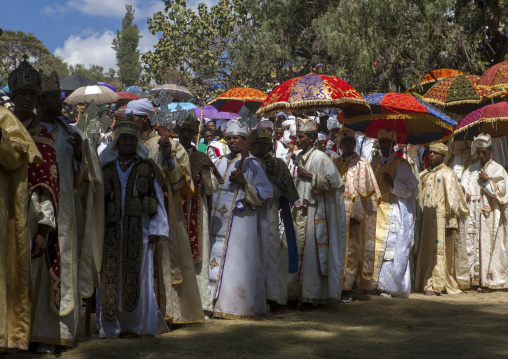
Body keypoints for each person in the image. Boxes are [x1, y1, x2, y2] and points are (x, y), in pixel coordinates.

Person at [33, 71, 104, 353]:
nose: (60, 104)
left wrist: (78, 158)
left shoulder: (71, 133)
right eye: (53, 98)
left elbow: (86, 179)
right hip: (32, 212)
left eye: (60, 98)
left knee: (61, 270)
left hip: (65, 215)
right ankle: (30, 333)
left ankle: (58, 333)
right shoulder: (28, 131)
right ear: (40, 100)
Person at [126, 99, 204, 324]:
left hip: (164, 212)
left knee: (163, 259)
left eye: (134, 118)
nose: (130, 122)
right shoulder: (128, 143)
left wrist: (168, 156)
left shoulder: (171, 144)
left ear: (145, 119)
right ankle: (139, 311)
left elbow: (181, 183)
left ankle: (168, 312)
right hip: (134, 212)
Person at [96, 120, 169, 338]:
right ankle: (111, 327)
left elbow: (157, 198)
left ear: (136, 142)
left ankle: (138, 325)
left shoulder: (147, 167)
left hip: (141, 231)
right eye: (123, 139)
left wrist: (157, 228)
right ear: (117, 142)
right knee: (110, 277)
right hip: (110, 232)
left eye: (131, 139)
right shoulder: (106, 168)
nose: (127, 143)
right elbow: (97, 201)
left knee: (139, 277)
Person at [209, 119, 272, 318]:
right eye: (229, 138)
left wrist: (245, 184)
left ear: (245, 140)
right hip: (217, 226)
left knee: (236, 265)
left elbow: (266, 193)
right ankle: (215, 304)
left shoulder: (253, 165)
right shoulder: (219, 161)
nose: (232, 141)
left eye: (236, 138)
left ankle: (236, 306)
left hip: (240, 225)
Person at [1, 61, 42, 356]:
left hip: (11, 213)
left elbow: (15, 158)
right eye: (22, 93)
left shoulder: (6, 122)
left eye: (32, 94)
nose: (27, 99)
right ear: (13, 95)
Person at [287, 118, 347, 309]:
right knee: (295, 252)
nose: (297, 140)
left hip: (316, 213)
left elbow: (335, 183)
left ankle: (310, 296)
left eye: (301, 137)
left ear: (312, 138)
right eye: (297, 136)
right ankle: (294, 294)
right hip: (299, 212)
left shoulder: (321, 158)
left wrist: (311, 177)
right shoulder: (298, 157)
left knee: (312, 256)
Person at [176, 112, 220, 315]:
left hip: (197, 211)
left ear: (195, 134)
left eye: (189, 131)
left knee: (199, 258)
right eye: (182, 131)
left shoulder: (202, 156)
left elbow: (212, 189)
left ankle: (202, 304)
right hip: (174, 212)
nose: (186, 134)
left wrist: (207, 172)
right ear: (178, 132)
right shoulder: (170, 154)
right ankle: (177, 305)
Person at [252, 127, 299, 313]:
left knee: (271, 253)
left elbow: (289, 193)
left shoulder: (278, 164)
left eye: (266, 143)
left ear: (270, 144)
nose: (262, 146)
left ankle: (275, 298)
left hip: (269, 213)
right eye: (259, 143)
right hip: (249, 213)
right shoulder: (247, 162)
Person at [415, 142, 469, 296]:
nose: (431, 155)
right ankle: (423, 281)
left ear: (443, 156)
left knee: (438, 252)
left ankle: (435, 284)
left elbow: (454, 202)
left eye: (435, 153)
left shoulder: (448, 174)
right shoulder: (423, 174)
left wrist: (451, 223)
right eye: (430, 153)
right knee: (425, 250)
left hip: (441, 222)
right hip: (426, 221)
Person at [370, 129, 419, 298]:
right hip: (377, 211)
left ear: (393, 144)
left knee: (391, 250)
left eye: (386, 142)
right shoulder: (375, 162)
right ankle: (373, 283)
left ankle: (391, 286)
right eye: (381, 142)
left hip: (393, 212)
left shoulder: (401, 164)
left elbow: (411, 190)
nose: (383, 145)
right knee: (375, 246)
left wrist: (393, 183)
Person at [333, 130, 380, 303]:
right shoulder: (336, 162)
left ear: (355, 144)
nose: (348, 145)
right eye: (344, 142)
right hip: (335, 212)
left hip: (353, 211)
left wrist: (357, 213)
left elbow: (365, 191)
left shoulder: (362, 163)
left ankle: (348, 287)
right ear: (340, 145)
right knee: (336, 249)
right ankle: (335, 285)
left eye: (351, 142)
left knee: (351, 249)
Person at [459, 133, 508, 291]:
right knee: (472, 245)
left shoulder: (498, 169)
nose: (481, 155)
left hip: (490, 217)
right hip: (473, 216)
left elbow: (502, 193)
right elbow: (464, 188)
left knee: (488, 246)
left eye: (484, 152)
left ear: (491, 151)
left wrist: (488, 180)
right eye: (478, 152)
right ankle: (474, 279)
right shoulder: (471, 169)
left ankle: (488, 281)